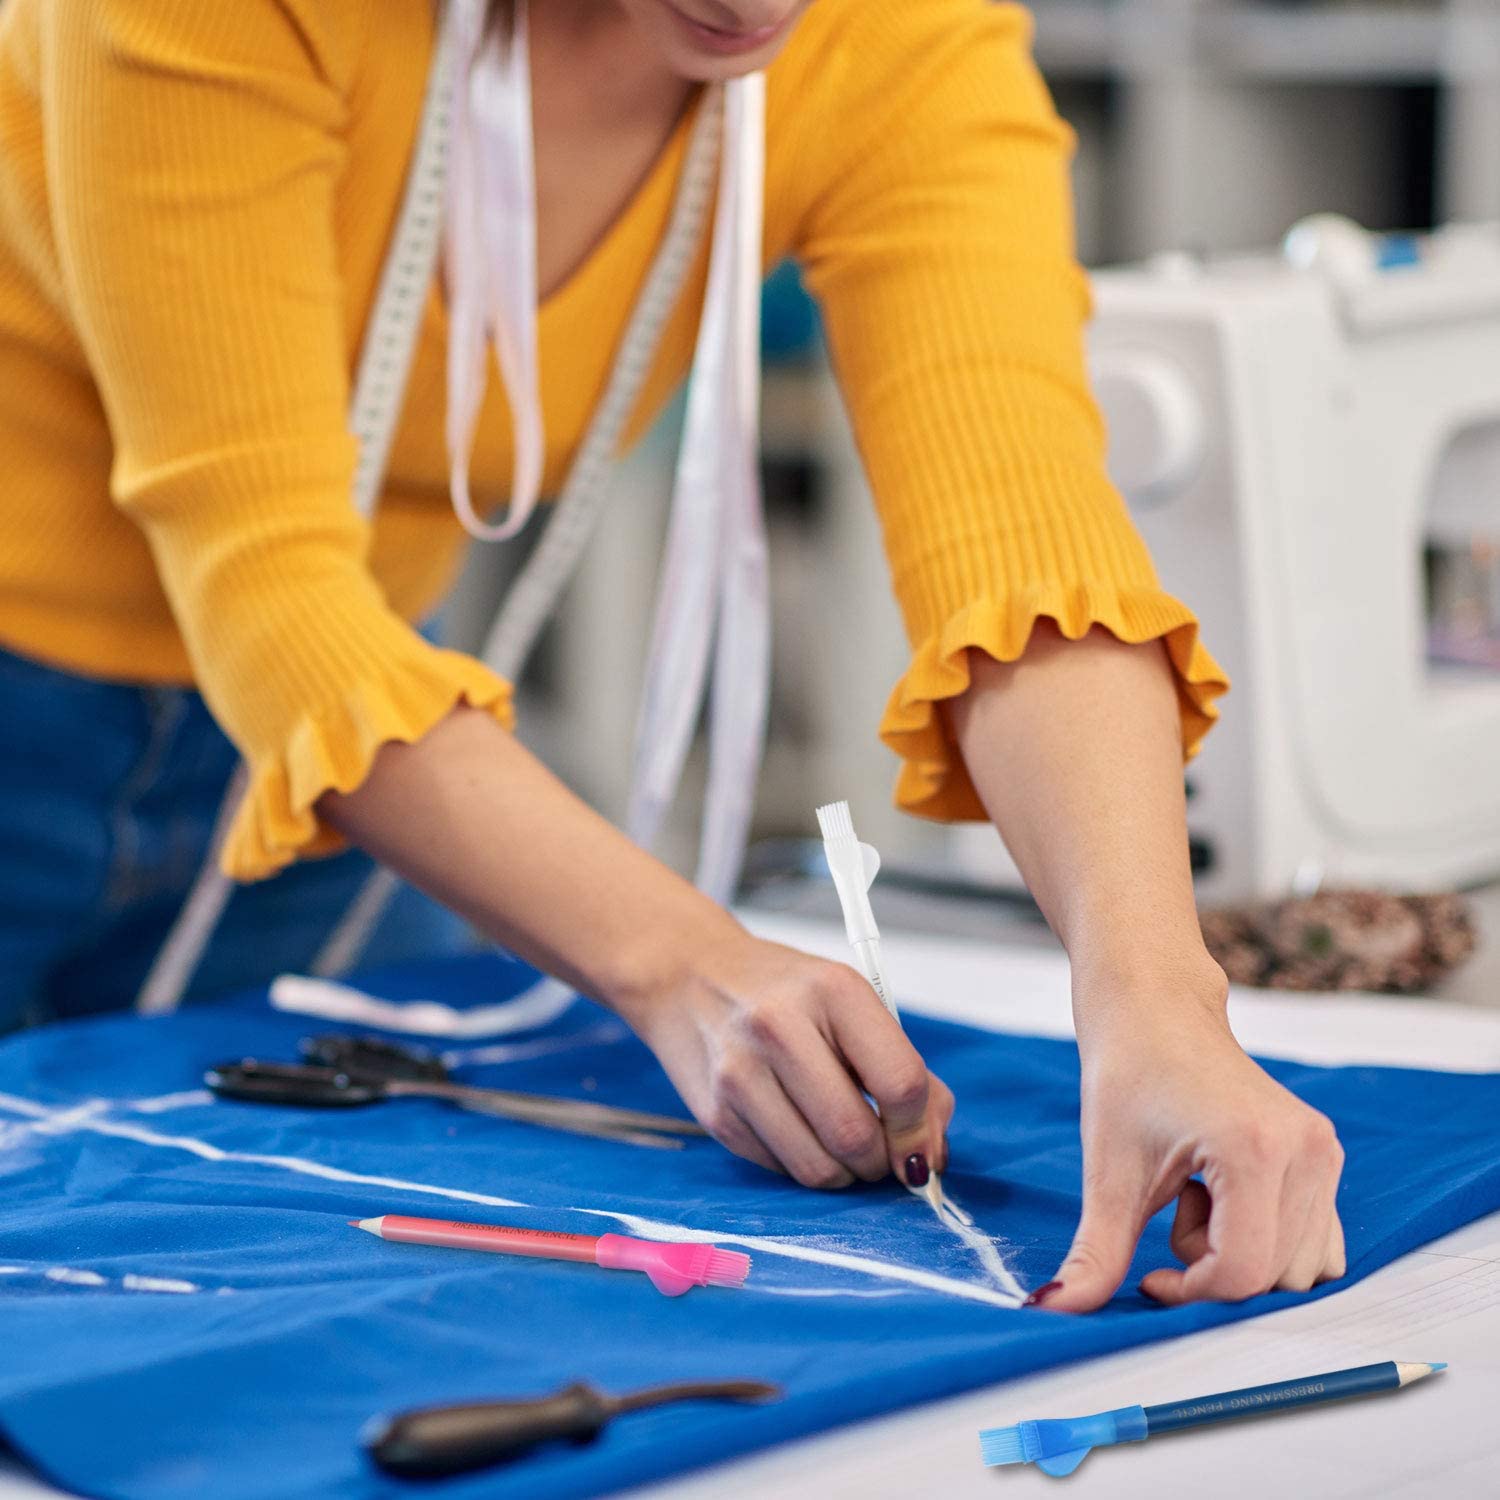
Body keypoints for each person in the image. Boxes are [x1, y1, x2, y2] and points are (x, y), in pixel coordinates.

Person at [0, 0, 1345, 1312]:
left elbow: (1026, 549)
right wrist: (683, 964)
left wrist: (1155, 996)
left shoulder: (898, 37)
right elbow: (277, 595)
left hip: (326, 770)